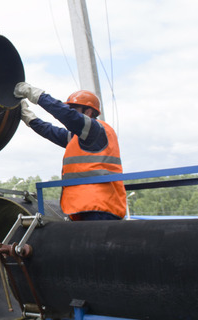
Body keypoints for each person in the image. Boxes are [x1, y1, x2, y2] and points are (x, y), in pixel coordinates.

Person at [14, 82, 127, 220]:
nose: (70, 111)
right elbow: (49, 131)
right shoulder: (79, 137)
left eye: (73, 109)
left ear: (88, 112)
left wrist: (34, 94)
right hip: (85, 206)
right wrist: (28, 117)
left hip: (100, 206)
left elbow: (66, 115)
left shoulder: (96, 130)